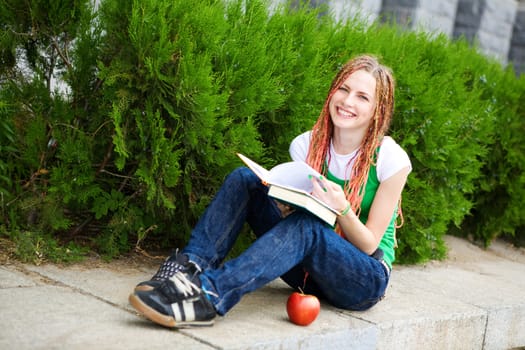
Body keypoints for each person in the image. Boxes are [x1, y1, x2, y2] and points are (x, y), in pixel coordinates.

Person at [129, 54, 412, 328]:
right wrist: (283, 203)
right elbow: (294, 223)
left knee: (307, 227)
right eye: (344, 89)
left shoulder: (390, 158)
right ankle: (188, 269)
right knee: (245, 179)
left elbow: (370, 245)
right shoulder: (306, 145)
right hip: (305, 271)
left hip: (362, 277)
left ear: (378, 110)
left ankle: (209, 295)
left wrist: (343, 209)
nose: (348, 101)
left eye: (362, 97)